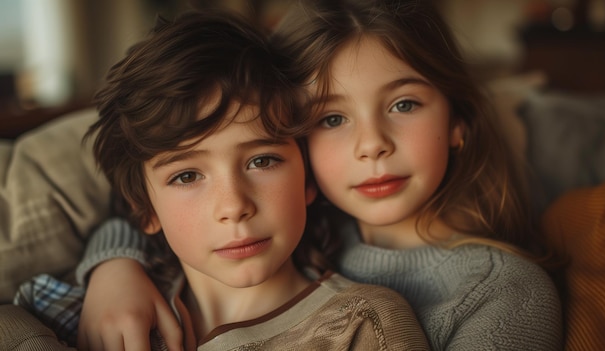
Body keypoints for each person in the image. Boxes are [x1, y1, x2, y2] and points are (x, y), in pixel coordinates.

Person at [57, 0, 564, 350]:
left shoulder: (505, 292)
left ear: (457, 121)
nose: (372, 146)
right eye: (332, 118)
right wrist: (114, 269)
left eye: (404, 104)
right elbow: (161, 196)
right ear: (299, 140)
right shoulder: (299, 228)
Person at [11, 9, 429, 351]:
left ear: (307, 175)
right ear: (144, 208)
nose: (234, 207)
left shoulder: (365, 325)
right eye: (187, 175)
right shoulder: (101, 313)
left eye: (262, 161)